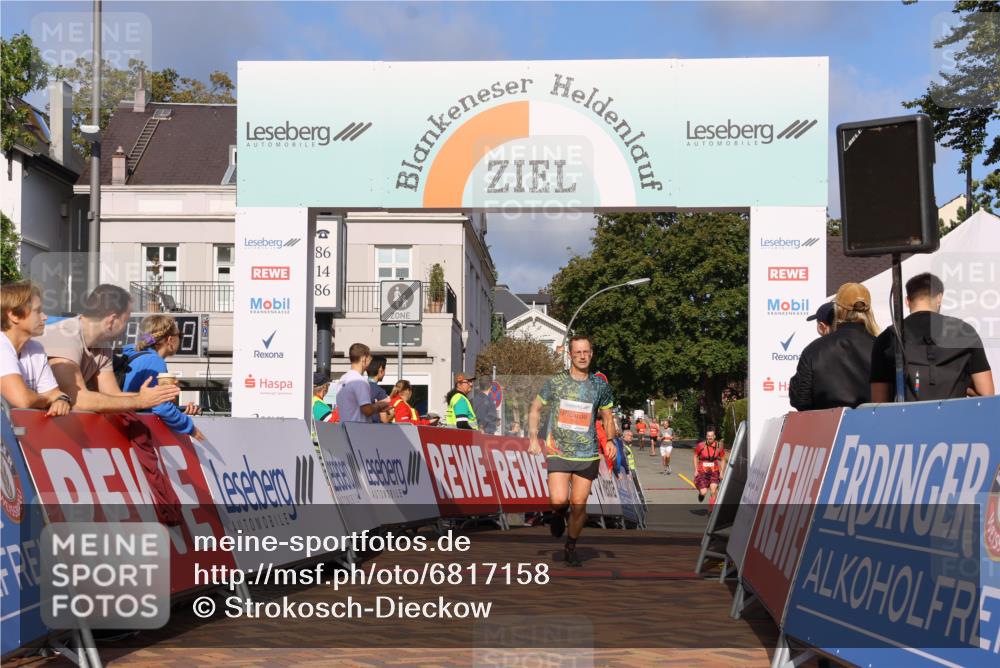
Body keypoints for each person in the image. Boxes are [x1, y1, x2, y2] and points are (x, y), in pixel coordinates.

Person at [528, 335, 616, 567]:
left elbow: (608, 417)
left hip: (587, 453)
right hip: (558, 450)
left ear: (592, 353)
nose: (582, 356)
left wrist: (611, 441)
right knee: (558, 500)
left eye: (586, 352)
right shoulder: (556, 382)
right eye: (577, 352)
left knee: (579, 504)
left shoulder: (600, 386)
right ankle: (557, 514)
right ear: (570, 355)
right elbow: (535, 408)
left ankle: (571, 545)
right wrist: (533, 437)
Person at [36, 284, 179, 412]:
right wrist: (140, 400)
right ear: (112, 320)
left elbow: (112, 395)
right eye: (126, 320)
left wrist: (158, 396)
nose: (126, 327)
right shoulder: (64, 337)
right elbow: (78, 400)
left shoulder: (102, 346)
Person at [871, 272, 994, 402]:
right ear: (939, 297)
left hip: (908, 420)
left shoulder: (889, 337)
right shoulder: (965, 331)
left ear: (907, 301)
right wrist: (964, 385)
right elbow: (987, 394)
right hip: (956, 419)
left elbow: (879, 402)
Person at [790, 283, 880, 411]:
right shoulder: (881, 346)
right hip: (872, 426)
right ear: (869, 310)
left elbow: (800, 400)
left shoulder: (814, 349)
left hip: (827, 427)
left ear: (838, 309)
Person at [120, 315, 205, 441]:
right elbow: (161, 406)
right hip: (134, 432)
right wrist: (189, 427)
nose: (180, 339)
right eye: (179, 335)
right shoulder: (155, 361)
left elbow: (148, 404)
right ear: (170, 339)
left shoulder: (133, 355)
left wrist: (179, 412)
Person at [1, 281, 71, 416]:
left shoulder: (35, 348)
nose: (45, 317)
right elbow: (23, 400)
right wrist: (49, 399)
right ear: (14, 315)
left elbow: (54, 393)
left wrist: (61, 400)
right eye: (37, 311)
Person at [334, 343, 391, 422]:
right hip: (358, 430)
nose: (371, 361)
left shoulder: (342, 379)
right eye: (370, 358)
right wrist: (380, 405)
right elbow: (367, 410)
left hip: (345, 428)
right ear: (364, 359)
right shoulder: (360, 381)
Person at [693, 427, 725, 505]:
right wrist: (696, 469)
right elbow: (695, 456)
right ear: (706, 437)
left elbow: (723, 459)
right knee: (703, 492)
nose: (710, 437)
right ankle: (701, 494)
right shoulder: (701, 445)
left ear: (714, 437)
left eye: (711, 436)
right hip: (702, 471)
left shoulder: (719, 446)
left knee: (713, 491)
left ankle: (711, 511)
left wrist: (721, 472)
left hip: (714, 471)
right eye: (708, 436)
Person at [366, 355, 391, 423]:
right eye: (385, 369)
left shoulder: (360, 387)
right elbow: (384, 420)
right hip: (374, 430)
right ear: (381, 370)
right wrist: (393, 413)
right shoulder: (380, 392)